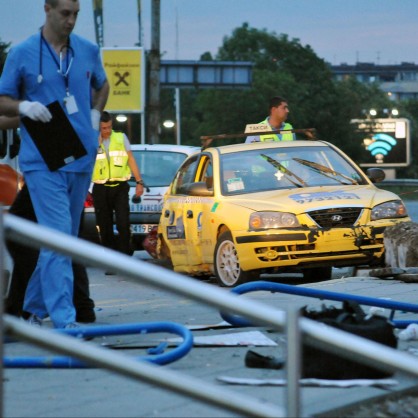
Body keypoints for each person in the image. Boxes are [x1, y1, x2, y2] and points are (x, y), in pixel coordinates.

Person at [0, 0, 109, 329]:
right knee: (58, 238)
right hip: (42, 161)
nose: (71, 20)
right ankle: (65, 321)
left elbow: (102, 85)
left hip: (81, 156)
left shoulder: (87, 50)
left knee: (66, 238)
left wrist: (93, 113)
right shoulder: (22, 53)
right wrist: (25, 107)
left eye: (76, 14)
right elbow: (2, 99)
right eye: (65, 13)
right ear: (47, 9)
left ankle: (33, 310)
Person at [5, 184, 96, 323]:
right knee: (67, 242)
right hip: (67, 177)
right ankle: (81, 307)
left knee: (20, 235)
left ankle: (22, 307)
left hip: (49, 176)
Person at [92, 111, 144, 259]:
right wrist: (98, 142)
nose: (107, 130)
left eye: (109, 127)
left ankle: (124, 257)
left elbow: (131, 159)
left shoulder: (121, 138)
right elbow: (87, 160)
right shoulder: (93, 141)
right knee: (104, 226)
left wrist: (139, 181)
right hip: (100, 187)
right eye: (104, 128)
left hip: (120, 186)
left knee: (123, 222)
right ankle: (110, 259)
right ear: (98, 127)